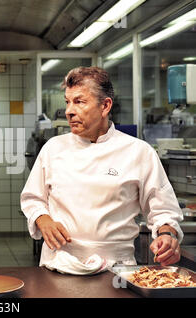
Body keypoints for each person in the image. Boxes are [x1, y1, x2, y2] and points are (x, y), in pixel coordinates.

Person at [21, 67, 183, 273]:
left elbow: (163, 210)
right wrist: (43, 219)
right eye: (67, 101)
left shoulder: (139, 152)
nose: (69, 110)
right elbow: (32, 198)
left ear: (105, 106)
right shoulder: (53, 148)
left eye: (79, 101)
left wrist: (167, 234)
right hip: (59, 264)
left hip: (116, 269)